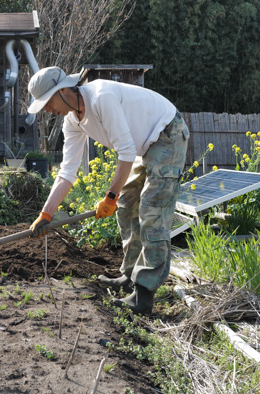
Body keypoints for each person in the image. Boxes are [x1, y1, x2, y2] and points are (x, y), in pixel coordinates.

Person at [26, 66, 189, 315]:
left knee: (152, 210)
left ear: (63, 91)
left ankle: (144, 296)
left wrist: (109, 197)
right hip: (143, 146)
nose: (47, 110)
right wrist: (46, 214)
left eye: (47, 102)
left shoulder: (101, 98)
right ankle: (129, 275)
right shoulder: (72, 122)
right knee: (126, 206)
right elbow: (67, 173)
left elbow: (124, 152)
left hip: (167, 132)